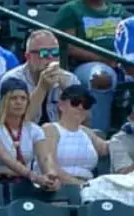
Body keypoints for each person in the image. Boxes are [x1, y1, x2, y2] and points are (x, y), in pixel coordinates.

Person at [53, 0, 127, 132]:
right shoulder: (71, 9)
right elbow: (69, 47)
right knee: (101, 77)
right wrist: (103, 59)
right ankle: (98, 135)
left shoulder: (119, 11)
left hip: (122, 63)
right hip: (84, 65)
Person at [0, 77, 59, 187]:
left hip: (24, 183)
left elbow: (44, 157)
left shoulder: (34, 130)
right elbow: (6, 159)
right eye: (13, 98)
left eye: (23, 98)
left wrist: (50, 175)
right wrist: (34, 177)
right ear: (4, 101)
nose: (19, 102)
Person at [0, 30, 79, 126]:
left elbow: (84, 120)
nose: (50, 57)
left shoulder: (69, 79)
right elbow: (16, 125)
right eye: (44, 53)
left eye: (54, 52)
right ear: (28, 57)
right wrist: (42, 88)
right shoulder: (12, 80)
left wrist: (67, 91)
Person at [42, 84, 108, 185]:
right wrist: (79, 184)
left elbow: (111, 148)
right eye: (75, 102)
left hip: (88, 186)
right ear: (61, 105)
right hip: (59, 188)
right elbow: (51, 166)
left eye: (86, 104)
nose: (81, 107)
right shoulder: (50, 129)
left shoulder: (87, 132)